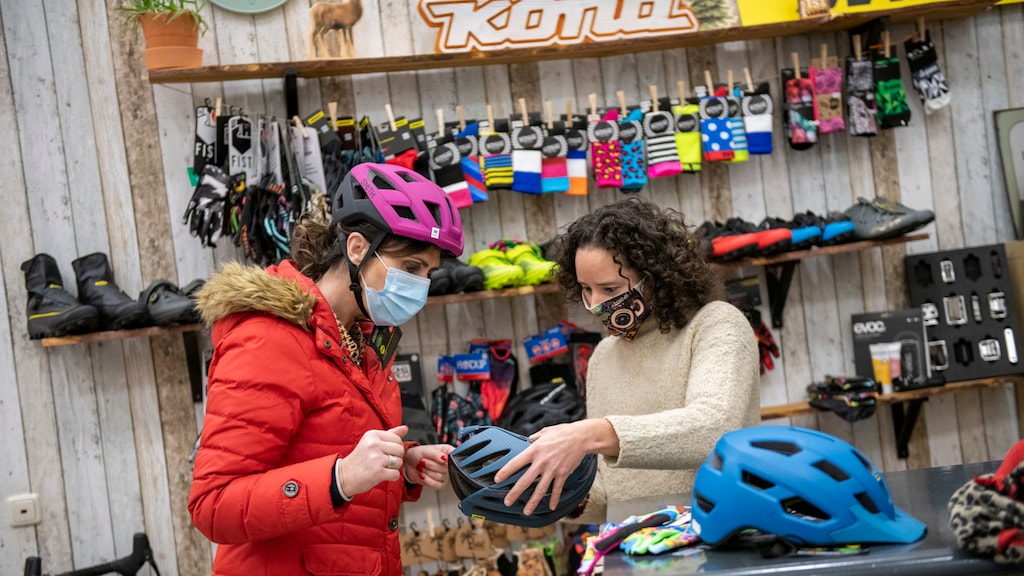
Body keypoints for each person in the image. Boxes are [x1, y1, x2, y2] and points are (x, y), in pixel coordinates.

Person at [188, 163, 463, 575]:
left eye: (428, 272)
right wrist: (341, 478)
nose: (421, 285)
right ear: (356, 248)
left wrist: (402, 464)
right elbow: (214, 504)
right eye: (409, 267)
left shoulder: (361, 338)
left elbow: (328, 443)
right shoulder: (268, 339)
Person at [493, 197, 761, 524]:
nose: (594, 304)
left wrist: (590, 434)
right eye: (585, 289)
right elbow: (608, 495)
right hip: (632, 550)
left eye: (609, 288)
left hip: (716, 537)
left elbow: (714, 428)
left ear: (657, 275)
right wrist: (538, 479)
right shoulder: (604, 356)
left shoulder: (715, 324)